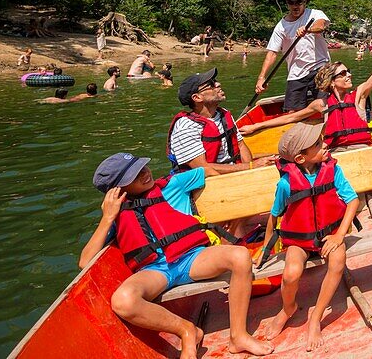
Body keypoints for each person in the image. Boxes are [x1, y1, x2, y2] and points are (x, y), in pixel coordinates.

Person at [79, 153, 274, 359]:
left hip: (192, 258)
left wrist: (253, 165)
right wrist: (108, 217)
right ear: (118, 190)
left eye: (142, 167)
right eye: (135, 176)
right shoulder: (117, 213)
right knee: (123, 301)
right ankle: (186, 330)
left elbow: (205, 170)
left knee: (240, 255)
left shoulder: (173, 184)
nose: (144, 174)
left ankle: (239, 336)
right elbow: (85, 261)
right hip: (155, 271)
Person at [256, 123, 359, 350]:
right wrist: (264, 251)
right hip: (299, 240)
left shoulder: (333, 171)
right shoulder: (285, 183)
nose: (325, 145)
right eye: (318, 144)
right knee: (291, 274)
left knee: (337, 262)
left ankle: (316, 318)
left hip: (331, 234)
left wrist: (340, 235)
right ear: (301, 158)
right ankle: (288, 308)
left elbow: (353, 201)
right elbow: (275, 216)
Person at [240, 23, 372, 152]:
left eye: (348, 72)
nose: (349, 75)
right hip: (336, 154)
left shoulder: (360, 95)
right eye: (343, 73)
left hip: (362, 150)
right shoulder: (321, 104)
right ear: (332, 82)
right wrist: (257, 125)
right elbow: (291, 117)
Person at [167, 68, 271, 176]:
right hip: (207, 182)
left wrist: (252, 171)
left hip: (235, 173)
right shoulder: (186, 127)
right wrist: (250, 166)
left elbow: (241, 146)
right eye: (211, 84)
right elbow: (203, 169)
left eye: (215, 80)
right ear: (197, 97)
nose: (218, 84)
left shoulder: (224, 114)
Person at [255, 0, 331, 113]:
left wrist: (308, 30)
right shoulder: (281, 26)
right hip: (296, 72)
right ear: (287, 4)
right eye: (291, 3)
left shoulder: (314, 14)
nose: (295, 6)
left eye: (299, 2)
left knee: (324, 106)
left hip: (320, 67)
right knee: (291, 112)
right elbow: (272, 53)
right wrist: (261, 77)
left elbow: (320, 25)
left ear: (305, 2)